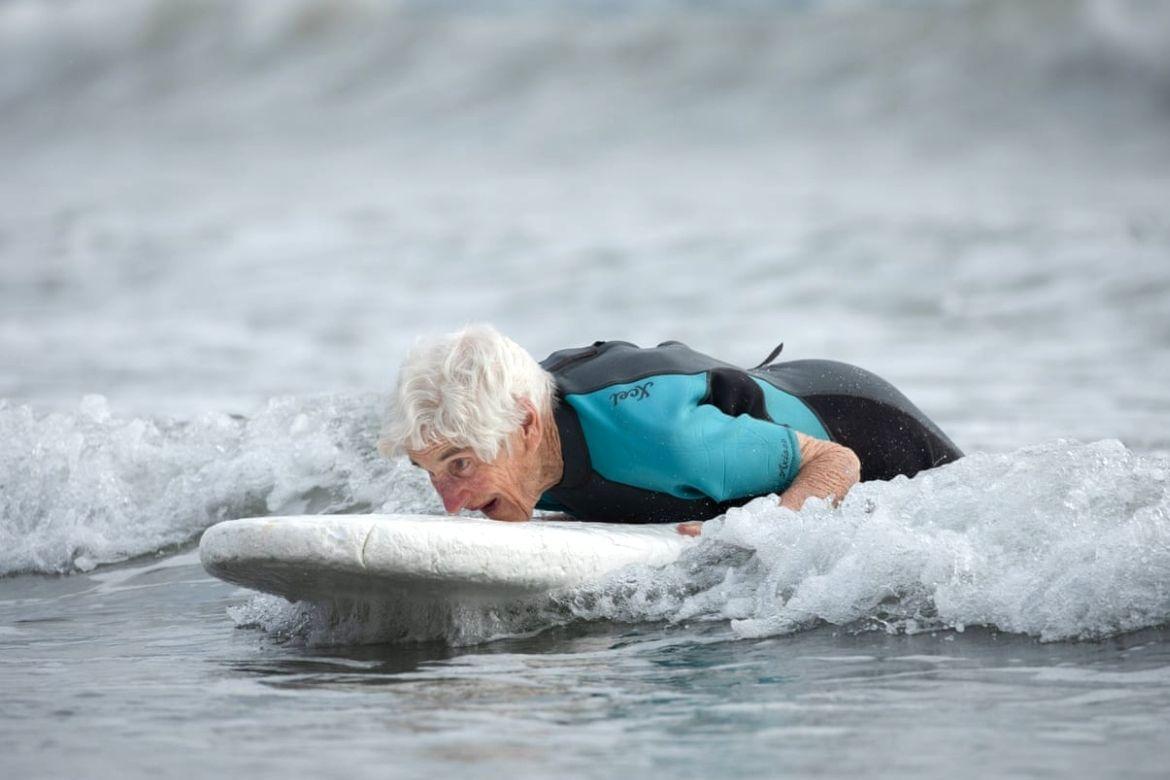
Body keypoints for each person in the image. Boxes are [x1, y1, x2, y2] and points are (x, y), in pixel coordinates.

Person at [379, 325, 962, 536]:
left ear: (527, 426)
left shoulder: (664, 440)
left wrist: (761, 535)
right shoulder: (515, 447)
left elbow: (838, 464)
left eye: (459, 466)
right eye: (431, 472)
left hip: (866, 421)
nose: (450, 505)